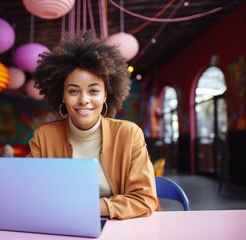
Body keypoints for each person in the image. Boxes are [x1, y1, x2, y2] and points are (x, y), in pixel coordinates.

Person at [27, 32, 158, 220]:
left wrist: (88, 207)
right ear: (62, 95)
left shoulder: (129, 134)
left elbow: (144, 199)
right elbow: (29, 194)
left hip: (118, 226)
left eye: (94, 91)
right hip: (61, 225)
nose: (83, 100)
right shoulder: (43, 136)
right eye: (73, 91)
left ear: (105, 94)